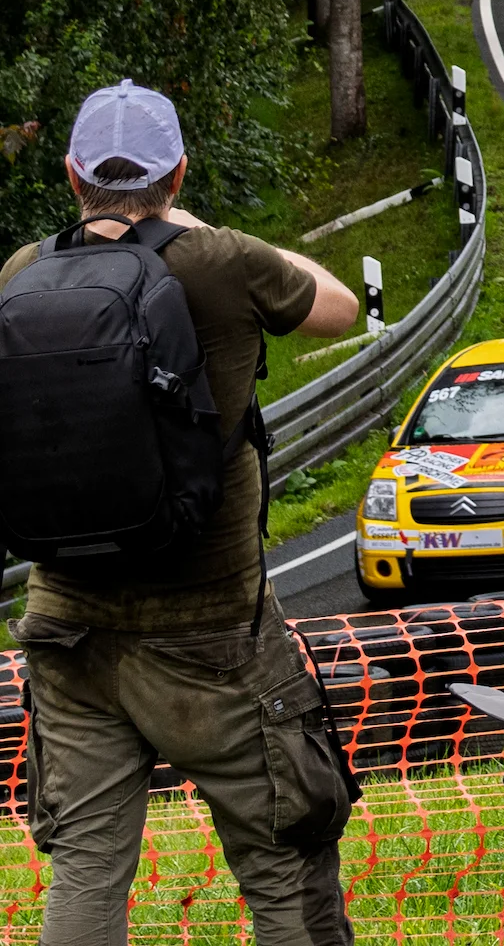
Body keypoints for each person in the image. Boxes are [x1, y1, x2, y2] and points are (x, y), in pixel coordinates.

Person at [2, 80, 361, 945]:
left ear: (71, 173)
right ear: (180, 171)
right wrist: (204, 232)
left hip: (67, 624)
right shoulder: (221, 261)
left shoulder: (20, 273)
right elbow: (340, 307)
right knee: (282, 861)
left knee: (86, 867)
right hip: (212, 635)